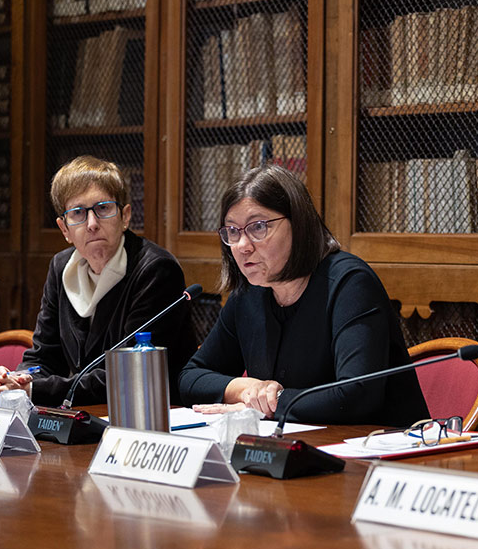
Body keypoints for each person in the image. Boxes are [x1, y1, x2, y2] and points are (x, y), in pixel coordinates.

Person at [179, 165, 429, 426]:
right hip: (293, 443)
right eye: (233, 231)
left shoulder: (350, 284)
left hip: (381, 444)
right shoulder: (248, 294)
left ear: (298, 225)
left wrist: (269, 404)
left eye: (258, 227)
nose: (242, 246)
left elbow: (356, 395)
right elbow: (190, 377)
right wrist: (247, 390)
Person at [0, 156, 198, 406]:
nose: (92, 224)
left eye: (103, 208)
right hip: (91, 411)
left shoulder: (156, 270)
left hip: (154, 412)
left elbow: (127, 376)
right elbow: (44, 356)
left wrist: (33, 390)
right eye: (78, 213)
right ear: (64, 229)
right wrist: (16, 381)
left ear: (125, 216)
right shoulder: (62, 268)